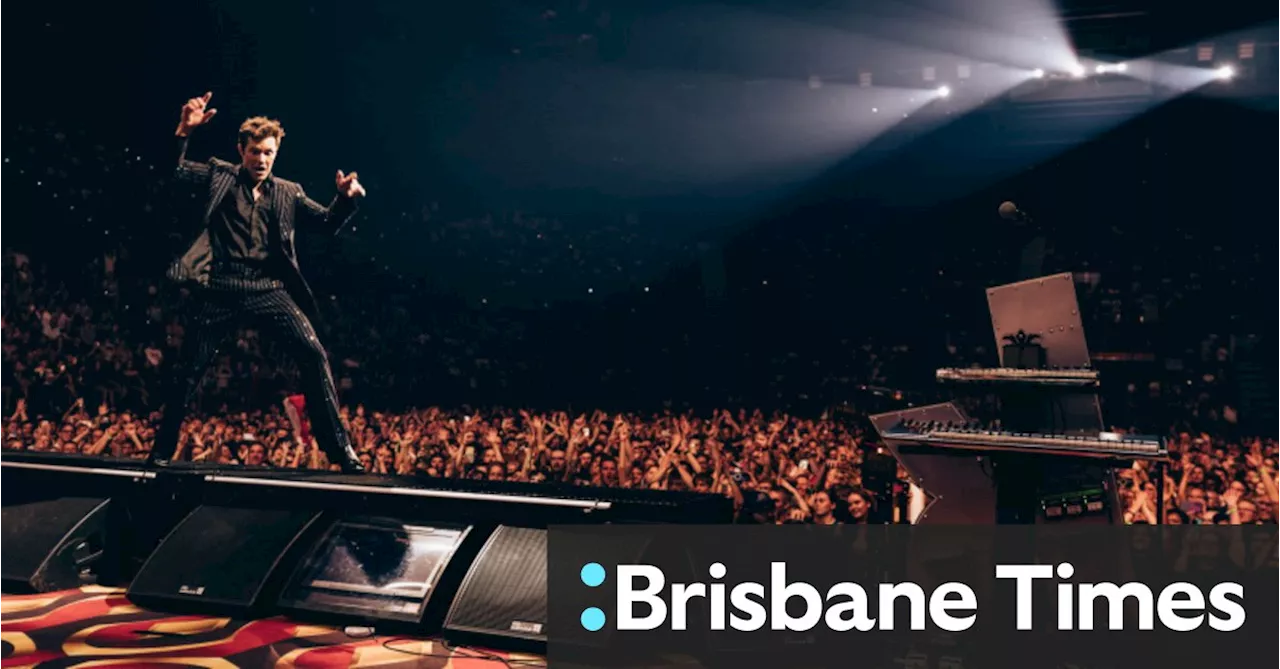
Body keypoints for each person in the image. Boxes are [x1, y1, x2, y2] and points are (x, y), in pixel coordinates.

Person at [148, 92, 366, 473]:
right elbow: (174, 171)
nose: (261, 160)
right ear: (240, 150)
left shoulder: (288, 191)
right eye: (254, 152)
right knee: (189, 369)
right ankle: (161, 450)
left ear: (276, 152)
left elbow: (328, 223)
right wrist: (183, 132)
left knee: (313, 354)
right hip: (221, 287)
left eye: (268, 152)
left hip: (268, 289)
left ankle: (341, 451)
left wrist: (345, 200)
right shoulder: (220, 175)